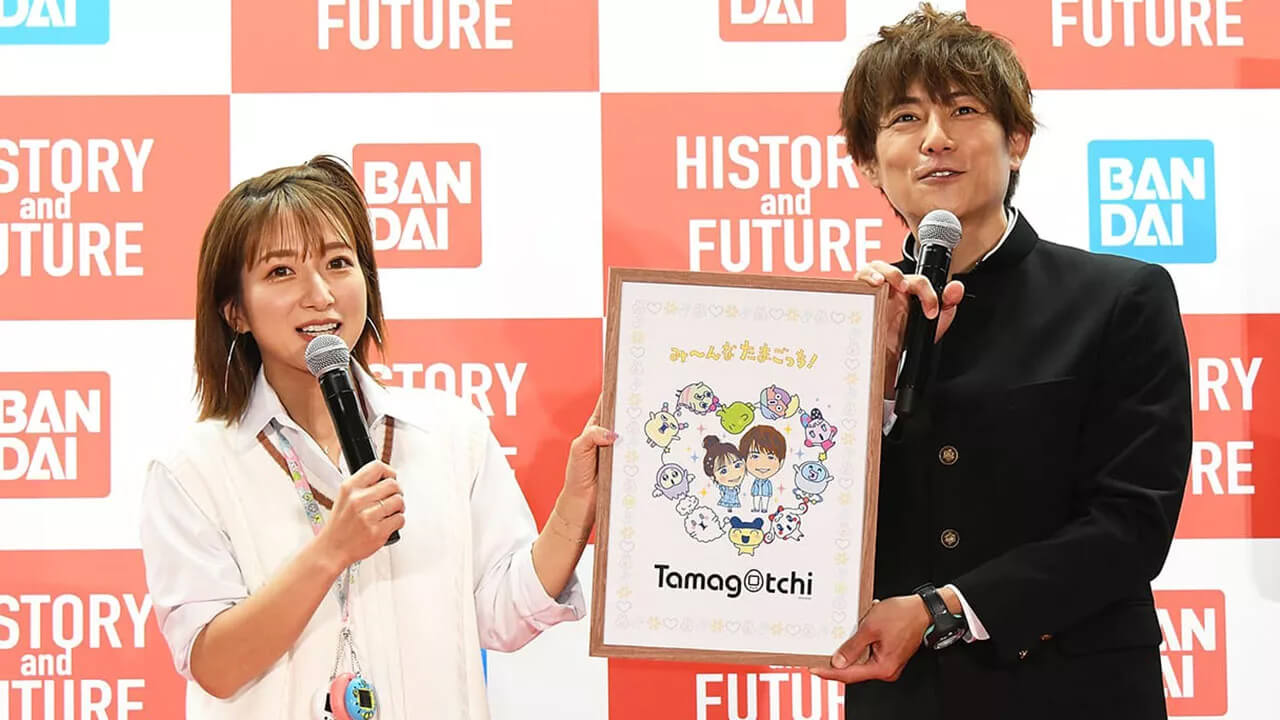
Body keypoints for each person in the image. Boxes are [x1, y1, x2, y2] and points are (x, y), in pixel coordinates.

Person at [813, 5, 1192, 719]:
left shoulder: (1118, 298)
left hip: (1075, 693)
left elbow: (1132, 524)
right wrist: (876, 384)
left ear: (1016, 141)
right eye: (904, 118)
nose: (935, 138)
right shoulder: (841, 329)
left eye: (963, 109)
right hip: (903, 699)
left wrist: (944, 609)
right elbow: (804, 514)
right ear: (867, 162)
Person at [139, 156, 614, 719]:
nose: (320, 293)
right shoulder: (192, 470)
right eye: (281, 272)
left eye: (338, 263)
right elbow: (215, 664)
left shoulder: (449, 433)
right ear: (235, 311)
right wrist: (331, 551)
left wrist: (576, 502)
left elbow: (504, 615)